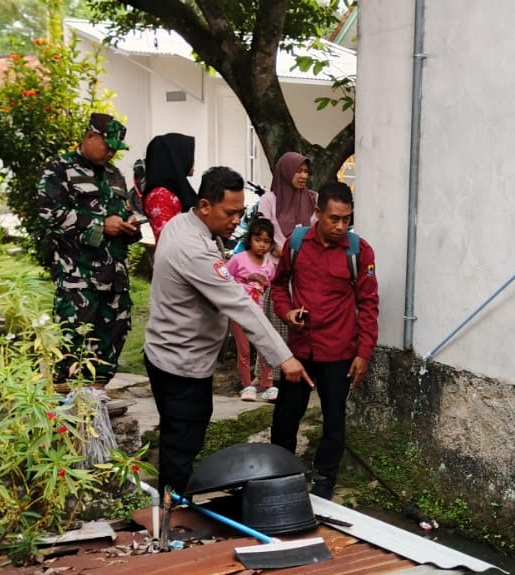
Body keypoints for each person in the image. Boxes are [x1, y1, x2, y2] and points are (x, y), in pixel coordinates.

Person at [143, 166, 311, 496]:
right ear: (205, 205)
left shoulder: (182, 224)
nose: (237, 220)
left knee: (182, 434)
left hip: (171, 352)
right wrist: (285, 357)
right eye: (230, 212)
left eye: (240, 212)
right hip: (181, 362)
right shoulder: (193, 249)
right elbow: (240, 305)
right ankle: (174, 509)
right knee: (182, 439)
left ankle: (173, 497)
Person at [270, 181, 379, 499]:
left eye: (347, 219)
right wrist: (287, 311)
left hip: (339, 351)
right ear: (318, 213)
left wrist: (364, 352)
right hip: (300, 350)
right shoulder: (297, 243)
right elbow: (279, 285)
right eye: (334, 218)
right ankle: (280, 475)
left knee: (334, 419)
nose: (341, 226)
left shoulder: (360, 251)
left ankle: (324, 483)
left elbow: (369, 303)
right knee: (286, 417)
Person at [36, 113, 141, 384]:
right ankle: (70, 413)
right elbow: (50, 216)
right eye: (107, 146)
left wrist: (129, 226)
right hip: (79, 281)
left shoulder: (114, 175)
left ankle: (99, 404)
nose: (110, 154)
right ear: (90, 136)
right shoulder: (59, 169)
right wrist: (99, 225)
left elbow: (123, 213)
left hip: (115, 280)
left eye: (115, 150)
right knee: (74, 347)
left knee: (112, 342)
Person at [222, 217, 279, 402]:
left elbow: (270, 286)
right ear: (250, 240)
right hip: (240, 313)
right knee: (244, 351)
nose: (262, 245)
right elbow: (224, 278)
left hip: (260, 314)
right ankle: (247, 386)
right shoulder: (239, 260)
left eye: (266, 241)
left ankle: (268, 384)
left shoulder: (269, 265)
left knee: (265, 349)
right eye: (258, 240)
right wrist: (246, 281)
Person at [140, 132, 196, 240]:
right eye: (189, 155)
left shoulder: (177, 189)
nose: (193, 161)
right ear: (176, 158)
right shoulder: (160, 196)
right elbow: (169, 240)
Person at [255, 152, 316, 249]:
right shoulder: (269, 199)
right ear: (286, 171)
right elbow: (261, 233)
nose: (304, 176)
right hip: (275, 261)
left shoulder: (314, 199)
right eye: (299, 171)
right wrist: (274, 249)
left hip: (305, 260)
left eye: (306, 171)